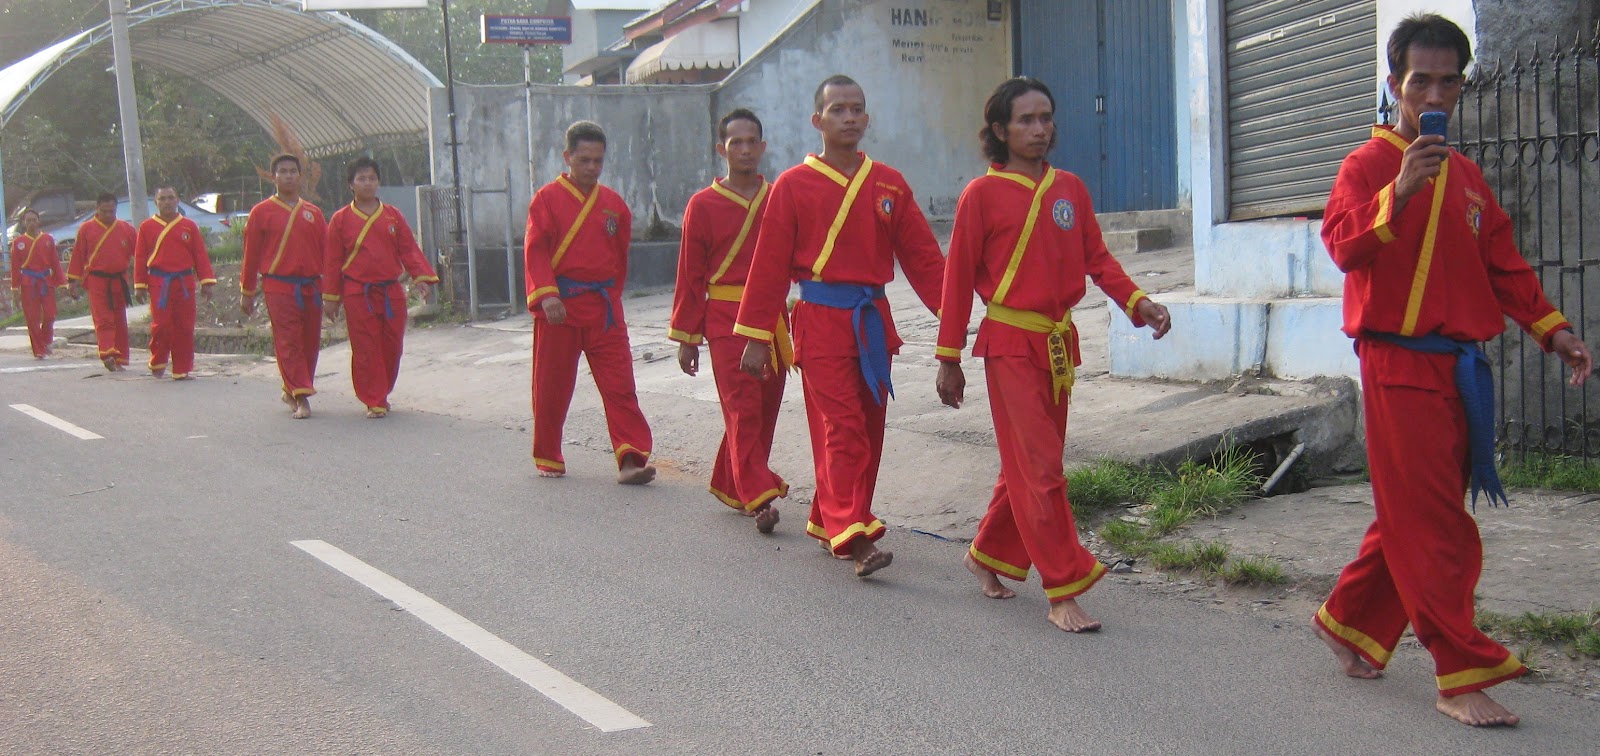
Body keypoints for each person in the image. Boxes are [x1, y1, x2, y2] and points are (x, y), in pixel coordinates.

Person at [1316, 13, 1594, 728]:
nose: (1432, 93)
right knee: (1437, 522)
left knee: (1416, 513)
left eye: (1447, 81)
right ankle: (1459, 668)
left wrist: (1553, 331)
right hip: (1395, 364)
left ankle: (1348, 621)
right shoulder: (1367, 165)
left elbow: (1503, 264)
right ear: (1394, 85)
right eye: (1419, 81)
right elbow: (1343, 246)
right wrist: (1398, 192)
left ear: (1462, 87)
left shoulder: (1468, 178)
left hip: (1461, 372)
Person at [936, 77, 1172, 631]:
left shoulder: (1070, 188)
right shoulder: (980, 195)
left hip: (1059, 345)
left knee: (1030, 465)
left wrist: (1140, 304)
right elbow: (956, 280)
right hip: (1008, 345)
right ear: (1000, 130)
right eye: (1026, 120)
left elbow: (1098, 258)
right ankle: (1063, 589)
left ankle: (987, 553)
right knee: (1041, 469)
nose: (1040, 129)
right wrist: (948, 357)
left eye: (1046, 117)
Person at [735, 75, 945, 577]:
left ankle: (828, 515)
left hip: (873, 322)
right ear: (818, 121)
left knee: (869, 430)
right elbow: (767, 267)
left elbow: (924, 259)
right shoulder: (791, 185)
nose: (849, 117)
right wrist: (757, 337)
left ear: (867, 118)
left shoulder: (889, 183)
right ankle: (853, 532)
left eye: (856, 109)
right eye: (837, 109)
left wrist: (954, 321)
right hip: (821, 320)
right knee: (842, 427)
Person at [669, 108, 790, 533]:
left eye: (750, 141)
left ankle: (730, 481)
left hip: (774, 318)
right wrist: (688, 336)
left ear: (762, 147)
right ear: (721, 149)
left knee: (765, 406)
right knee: (742, 407)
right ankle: (759, 497)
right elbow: (690, 275)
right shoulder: (701, 205)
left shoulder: (779, 196)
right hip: (725, 318)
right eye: (734, 142)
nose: (743, 149)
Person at [524, 120, 655, 485]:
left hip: (603, 309)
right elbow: (535, 251)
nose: (592, 168)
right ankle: (548, 452)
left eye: (598, 161)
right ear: (567, 157)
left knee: (620, 384)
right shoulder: (546, 200)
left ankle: (631, 457)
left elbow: (619, 258)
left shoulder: (614, 205)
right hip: (560, 309)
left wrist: (613, 297)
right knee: (552, 385)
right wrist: (547, 295)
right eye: (584, 160)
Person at [323, 157, 440, 418]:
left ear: (378, 182)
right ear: (351, 184)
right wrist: (331, 297)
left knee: (392, 345)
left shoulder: (392, 215)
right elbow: (332, 262)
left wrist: (421, 277)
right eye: (361, 178)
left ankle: (382, 391)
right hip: (357, 292)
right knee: (366, 346)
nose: (367, 183)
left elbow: (408, 249)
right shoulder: (340, 220)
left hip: (390, 292)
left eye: (372, 178)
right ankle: (372, 398)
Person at [243, 153, 327, 419]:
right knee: (288, 340)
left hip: (310, 286)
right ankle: (302, 397)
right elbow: (251, 255)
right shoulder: (261, 212)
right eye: (283, 171)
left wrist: (334, 291)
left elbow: (327, 254)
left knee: (310, 341)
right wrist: (247, 292)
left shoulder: (313, 213)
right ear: (274, 176)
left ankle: (291, 389)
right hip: (279, 286)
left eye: (293, 171)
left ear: (300, 176)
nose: (289, 175)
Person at [134, 186, 216, 379]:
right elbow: (139, 258)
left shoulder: (189, 226)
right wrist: (140, 285)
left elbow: (200, 255)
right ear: (156, 202)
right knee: (161, 325)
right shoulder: (146, 227)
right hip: (158, 282)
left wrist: (206, 282)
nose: (167, 202)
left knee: (185, 326)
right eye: (162, 199)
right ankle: (158, 360)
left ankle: (181, 368)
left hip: (184, 281)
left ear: (177, 200)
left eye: (171, 198)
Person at [68, 193, 139, 371]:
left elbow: (140, 254)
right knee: (103, 318)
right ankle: (107, 352)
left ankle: (120, 358)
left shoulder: (126, 229)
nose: (108, 215)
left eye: (111, 211)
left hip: (119, 279)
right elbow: (77, 256)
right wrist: (73, 282)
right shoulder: (86, 229)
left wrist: (142, 282)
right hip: (97, 280)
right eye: (104, 211)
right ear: (97, 209)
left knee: (119, 319)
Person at [8, 208, 66, 359]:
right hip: (28, 283)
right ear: (23, 224)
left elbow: (55, 263)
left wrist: (62, 283)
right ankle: (38, 350)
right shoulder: (18, 242)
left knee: (50, 314)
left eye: (34, 220)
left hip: (46, 282)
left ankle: (46, 341)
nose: (32, 223)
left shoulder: (47, 239)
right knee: (32, 318)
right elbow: (15, 267)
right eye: (28, 221)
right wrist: (15, 288)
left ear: (38, 221)